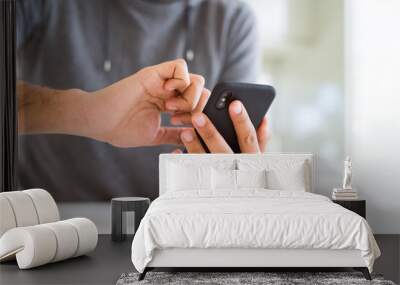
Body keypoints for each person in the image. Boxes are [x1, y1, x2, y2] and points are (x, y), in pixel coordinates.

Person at [17, 0, 262, 201]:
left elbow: (232, 168)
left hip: (172, 226)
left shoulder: (233, 20)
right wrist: (91, 112)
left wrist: (239, 172)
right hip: (48, 223)